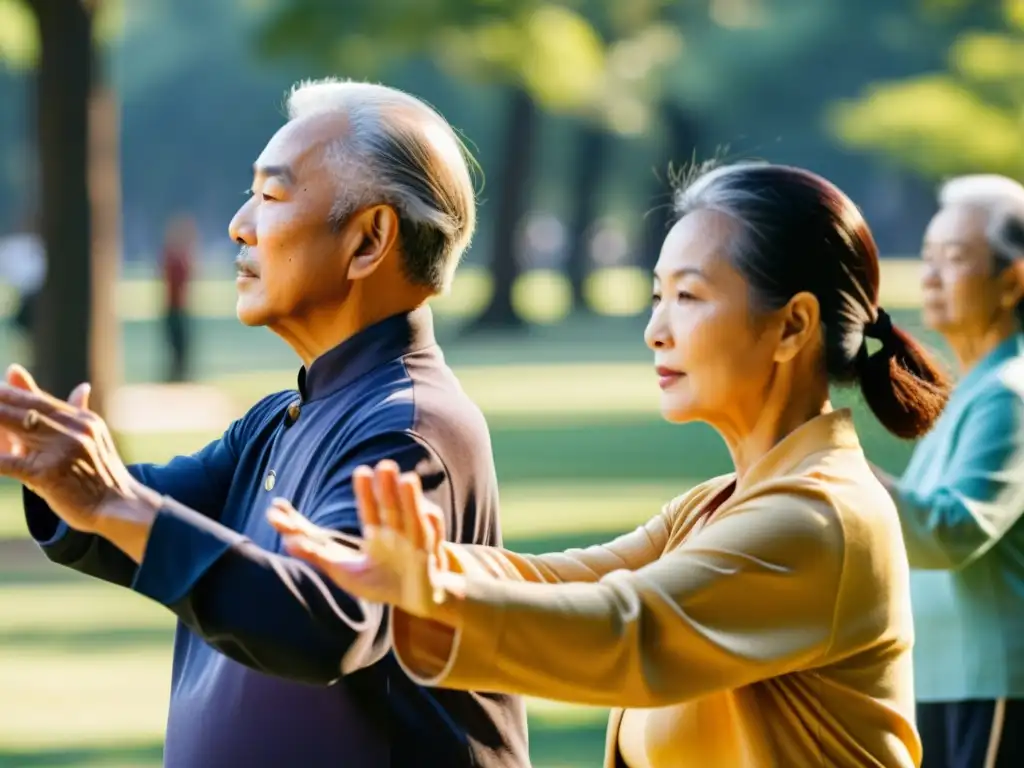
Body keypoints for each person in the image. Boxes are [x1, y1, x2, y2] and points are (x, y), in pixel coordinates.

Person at [269, 161, 954, 768]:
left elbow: (625, 629)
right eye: (657, 296)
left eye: (688, 297)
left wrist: (432, 591)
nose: (655, 329)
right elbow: (559, 578)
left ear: (792, 327)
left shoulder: (820, 519)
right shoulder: (720, 504)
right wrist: (417, 571)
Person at [0, 79, 528, 768]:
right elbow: (129, 522)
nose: (240, 224)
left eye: (271, 195)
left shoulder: (410, 428)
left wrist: (112, 501)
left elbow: (327, 621)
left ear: (369, 239)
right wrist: (51, 468)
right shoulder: (282, 420)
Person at [871, 175, 1024, 768]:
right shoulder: (976, 391)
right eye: (927, 257)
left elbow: (951, 531)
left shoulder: (1009, 396)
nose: (930, 275)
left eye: (954, 259)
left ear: (1012, 281)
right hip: (943, 680)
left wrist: (836, 463)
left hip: (992, 684)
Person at [161, 214, 196, 382]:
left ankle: (180, 373)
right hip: (175, 307)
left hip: (179, 307)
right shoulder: (175, 258)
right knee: (176, 343)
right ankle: (176, 373)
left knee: (181, 344)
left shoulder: (176, 256)